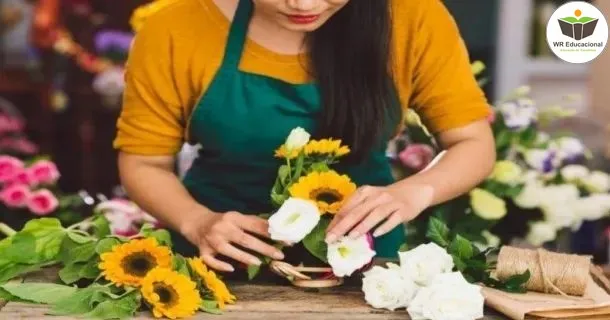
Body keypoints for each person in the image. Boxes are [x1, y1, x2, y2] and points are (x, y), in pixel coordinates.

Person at [114, 0, 496, 275]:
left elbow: (472, 142)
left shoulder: (413, 16)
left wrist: (415, 191)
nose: (302, 4)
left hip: (364, 263)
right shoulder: (175, 27)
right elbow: (145, 161)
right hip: (219, 258)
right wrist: (197, 222)